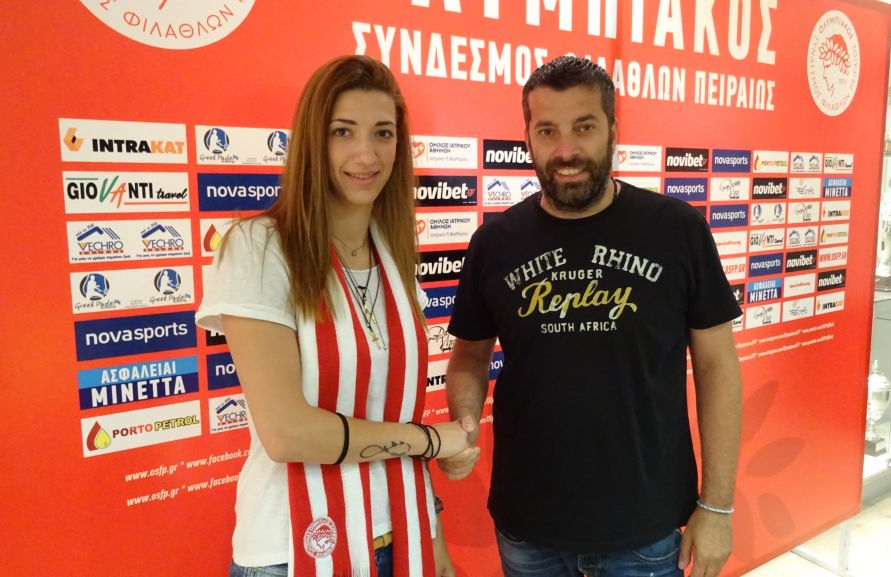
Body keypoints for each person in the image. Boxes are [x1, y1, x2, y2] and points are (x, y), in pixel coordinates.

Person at [440, 55, 743, 577]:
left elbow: (717, 366)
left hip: (645, 530)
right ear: (527, 138)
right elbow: (468, 356)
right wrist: (464, 424)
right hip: (527, 526)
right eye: (547, 131)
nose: (566, 151)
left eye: (584, 127)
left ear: (613, 130)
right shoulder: (495, 243)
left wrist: (717, 506)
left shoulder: (676, 230)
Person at [196, 55, 474, 577]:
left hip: (402, 535)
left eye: (383, 133)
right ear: (312, 141)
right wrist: (433, 441)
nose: (366, 154)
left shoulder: (393, 257)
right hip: (291, 551)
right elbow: (287, 433)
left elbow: (391, 410)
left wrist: (432, 531)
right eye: (342, 131)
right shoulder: (258, 247)